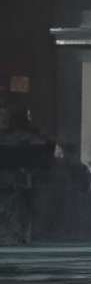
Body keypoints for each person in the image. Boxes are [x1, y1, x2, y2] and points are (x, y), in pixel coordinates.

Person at [0, 100, 54, 245]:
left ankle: (18, 236)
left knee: (19, 209)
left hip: (20, 180)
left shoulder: (29, 137)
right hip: (13, 180)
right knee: (13, 209)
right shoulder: (24, 137)